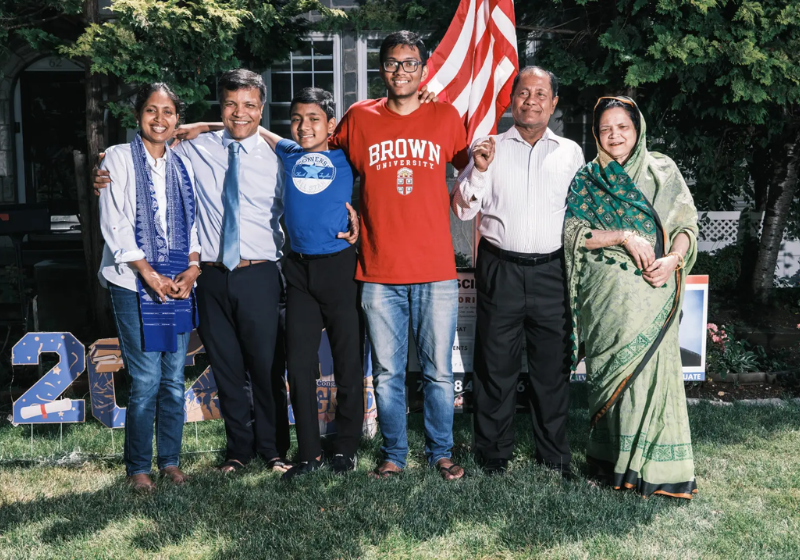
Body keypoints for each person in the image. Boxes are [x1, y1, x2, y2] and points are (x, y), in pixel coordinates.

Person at [95, 69, 292, 474]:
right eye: (231, 105)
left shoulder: (278, 155)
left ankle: (272, 451)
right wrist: (102, 174)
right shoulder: (194, 149)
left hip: (254, 272)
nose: (241, 113)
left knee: (264, 366)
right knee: (224, 367)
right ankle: (236, 451)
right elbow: (155, 149)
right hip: (206, 276)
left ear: (262, 108)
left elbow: (311, 189)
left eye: (250, 106)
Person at [176, 87, 364, 479]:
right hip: (296, 271)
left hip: (341, 269)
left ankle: (345, 448)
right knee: (297, 366)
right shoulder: (289, 153)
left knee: (347, 364)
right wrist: (203, 125)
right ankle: (309, 453)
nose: (304, 126)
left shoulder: (347, 156)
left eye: (314, 119)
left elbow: (379, 187)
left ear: (332, 125)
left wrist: (361, 223)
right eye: (296, 119)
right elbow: (248, 125)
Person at [330, 30, 469, 480]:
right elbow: (323, 167)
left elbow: (475, 174)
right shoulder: (358, 117)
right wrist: (346, 209)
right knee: (388, 373)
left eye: (410, 63)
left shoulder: (446, 117)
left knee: (439, 373)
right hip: (378, 269)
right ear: (381, 69)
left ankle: (441, 451)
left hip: (435, 269)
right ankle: (394, 454)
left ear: (423, 69)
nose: (401, 71)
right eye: (392, 63)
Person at [563, 96, 699, 498]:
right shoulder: (589, 178)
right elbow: (574, 234)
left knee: (653, 382)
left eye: (622, 126)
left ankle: (657, 472)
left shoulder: (662, 170)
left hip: (654, 293)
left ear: (637, 129)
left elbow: (685, 223)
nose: (614, 135)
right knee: (609, 379)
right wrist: (622, 236)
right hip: (605, 302)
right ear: (595, 134)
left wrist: (674, 258)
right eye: (605, 129)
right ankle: (612, 464)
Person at [452, 67, 584, 477]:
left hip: (551, 271)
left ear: (553, 102)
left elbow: (579, 215)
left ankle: (555, 455)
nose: (531, 100)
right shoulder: (488, 148)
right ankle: (493, 454)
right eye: (523, 92)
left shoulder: (570, 152)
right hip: (500, 269)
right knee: (496, 365)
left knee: (551, 368)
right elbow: (463, 209)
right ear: (511, 100)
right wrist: (480, 169)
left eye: (540, 93)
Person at [97, 83, 200, 492]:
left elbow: (192, 224)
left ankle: (170, 461)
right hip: (130, 282)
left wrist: (192, 269)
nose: (160, 119)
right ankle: (138, 467)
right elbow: (114, 221)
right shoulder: (118, 159)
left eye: (169, 112)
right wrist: (147, 272)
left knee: (174, 378)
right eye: (151, 111)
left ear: (178, 117)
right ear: (137, 115)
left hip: (176, 282)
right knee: (145, 380)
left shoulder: (182, 165)